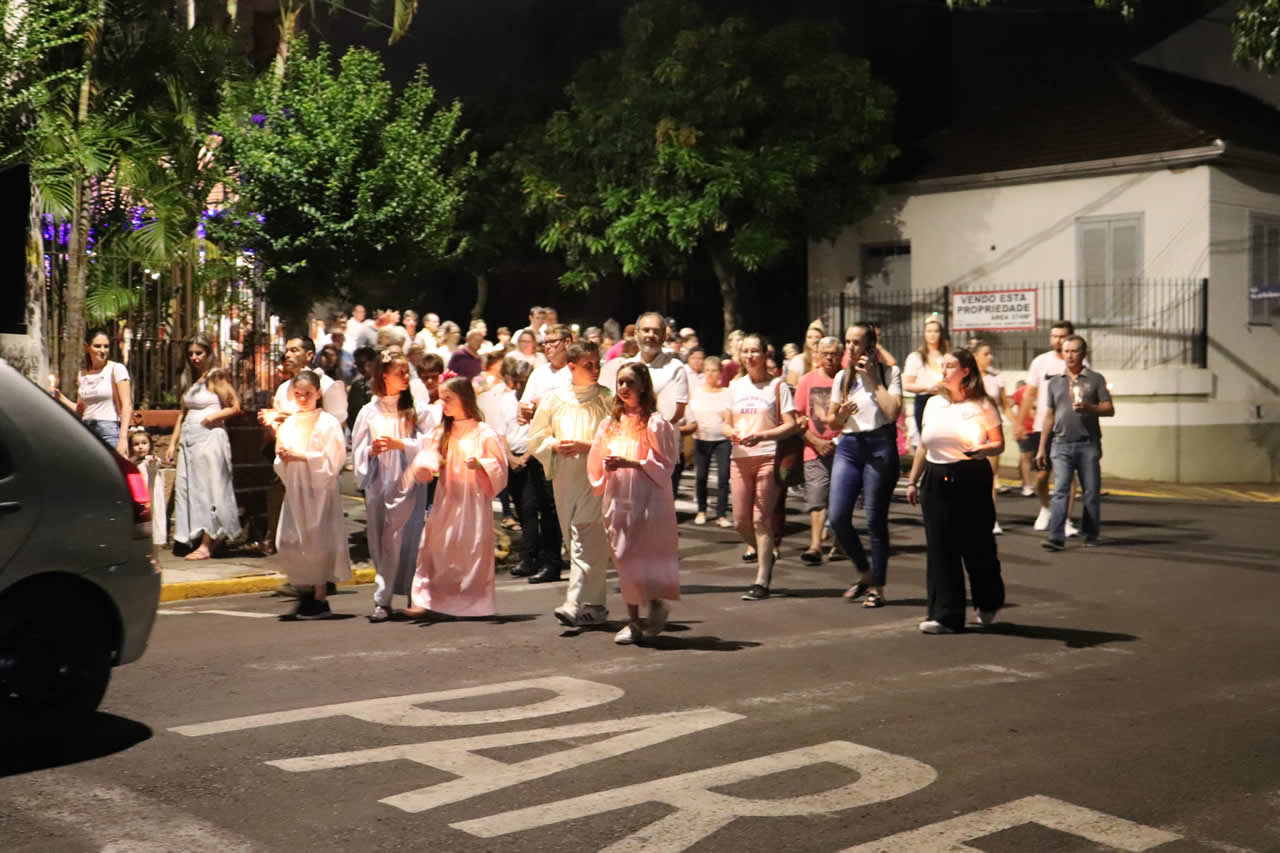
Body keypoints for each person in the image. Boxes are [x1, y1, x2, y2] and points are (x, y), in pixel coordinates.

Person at [905, 349, 1005, 634]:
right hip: (936, 477)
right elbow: (924, 445)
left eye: (950, 366)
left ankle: (988, 600)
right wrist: (913, 480)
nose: (944, 370)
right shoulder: (934, 404)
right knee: (940, 547)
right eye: (943, 365)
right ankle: (946, 615)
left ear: (966, 371)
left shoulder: (982, 404)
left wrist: (982, 449)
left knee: (976, 544)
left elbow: (998, 444)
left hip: (970, 475)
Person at [588, 363, 681, 645]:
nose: (624, 388)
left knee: (645, 554)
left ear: (642, 386)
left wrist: (633, 462)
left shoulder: (654, 423)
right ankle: (633, 619)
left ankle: (653, 605)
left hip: (647, 498)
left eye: (629, 382)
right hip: (618, 496)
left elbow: (666, 463)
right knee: (622, 554)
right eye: (620, 383)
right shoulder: (610, 424)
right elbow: (596, 458)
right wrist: (604, 472)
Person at [403, 377, 508, 620]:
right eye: (441, 398)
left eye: (448, 399)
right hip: (447, 499)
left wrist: (482, 464)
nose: (443, 403)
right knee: (435, 546)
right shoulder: (442, 432)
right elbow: (428, 455)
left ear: (464, 399)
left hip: (473, 502)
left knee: (470, 551)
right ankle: (428, 598)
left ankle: (472, 603)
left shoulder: (483, 432)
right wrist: (426, 466)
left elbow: (499, 467)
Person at [530, 340, 614, 627]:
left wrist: (586, 445)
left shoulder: (607, 398)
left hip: (596, 476)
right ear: (571, 366)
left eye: (597, 364)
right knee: (576, 539)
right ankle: (597, 605)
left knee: (585, 534)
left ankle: (573, 600)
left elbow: (616, 439)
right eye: (588, 365)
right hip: (565, 475)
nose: (594, 370)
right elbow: (536, 437)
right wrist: (553, 444)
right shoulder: (554, 400)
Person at [353, 353, 438, 622]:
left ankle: (416, 595)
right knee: (382, 540)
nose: (405, 377)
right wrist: (371, 450)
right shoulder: (369, 411)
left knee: (412, 539)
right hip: (380, 483)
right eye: (399, 372)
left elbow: (434, 442)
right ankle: (383, 598)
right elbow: (357, 448)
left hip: (409, 483)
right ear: (384, 376)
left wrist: (403, 445)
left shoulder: (418, 410)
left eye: (406, 372)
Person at [825, 324, 904, 607]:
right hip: (848, 447)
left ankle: (877, 588)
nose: (850, 348)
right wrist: (840, 414)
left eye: (856, 342)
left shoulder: (889, 373)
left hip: (879, 445)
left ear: (871, 345)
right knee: (837, 517)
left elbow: (893, 411)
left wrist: (872, 379)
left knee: (874, 520)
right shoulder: (842, 378)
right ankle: (864, 571)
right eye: (847, 342)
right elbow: (831, 420)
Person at [726, 334, 799, 601]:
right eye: (745, 351)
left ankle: (762, 579)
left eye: (754, 351)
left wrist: (764, 436)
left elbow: (790, 424)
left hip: (768, 455)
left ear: (765, 354)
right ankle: (764, 553)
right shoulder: (735, 386)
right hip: (740, 456)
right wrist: (731, 431)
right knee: (740, 521)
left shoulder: (777, 386)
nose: (749, 356)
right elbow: (725, 422)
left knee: (760, 519)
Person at [274, 370, 351, 619]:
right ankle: (303, 589)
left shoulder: (328, 423)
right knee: (290, 540)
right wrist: (283, 454)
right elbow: (281, 456)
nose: (303, 399)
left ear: (318, 393)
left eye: (308, 394)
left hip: (320, 491)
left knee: (318, 540)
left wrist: (300, 457)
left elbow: (333, 460)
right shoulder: (291, 421)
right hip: (296, 487)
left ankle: (319, 595)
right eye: (298, 394)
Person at [169, 335, 242, 560]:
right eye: (191, 353)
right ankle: (192, 535)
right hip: (190, 440)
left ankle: (208, 542)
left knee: (209, 488)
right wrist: (172, 443)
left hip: (209, 438)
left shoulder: (215, 377)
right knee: (188, 488)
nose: (194, 358)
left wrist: (213, 416)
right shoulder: (193, 381)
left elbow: (235, 406)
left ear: (208, 354)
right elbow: (182, 414)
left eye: (199, 353)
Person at [1037, 335, 1113, 551]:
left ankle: (1090, 533)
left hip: (1088, 444)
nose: (1069, 355)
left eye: (1074, 351)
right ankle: (1056, 536)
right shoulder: (1055, 382)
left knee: (1090, 491)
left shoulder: (1095, 379)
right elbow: (1049, 415)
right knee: (1060, 489)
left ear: (1084, 354)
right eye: (1066, 351)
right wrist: (1042, 446)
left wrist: (1090, 408)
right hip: (1060, 444)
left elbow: (1109, 408)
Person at [602, 312, 690, 497]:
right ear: (636, 334)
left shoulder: (675, 368)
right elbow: (616, 404)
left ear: (664, 336)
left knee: (654, 513)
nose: (650, 335)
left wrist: (647, 428)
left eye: (656, 331)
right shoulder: (626, 366)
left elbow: (678, 412)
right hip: (627, 448)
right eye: (646, 330)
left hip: (659, 453)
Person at [1018, 321, 1076, 533]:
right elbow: (1029, 393)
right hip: (1042, 427)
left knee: (1067, 476)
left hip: (1069, 428)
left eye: (1062, 336)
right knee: (1041, 477)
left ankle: (1066, 520)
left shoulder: (1078, 361)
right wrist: (1019, 422)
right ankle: (1046, 508)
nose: (1057, 340)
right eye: (1054, 336)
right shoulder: (1040, 362)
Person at [795, 336, 843, 565]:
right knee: (816, 498)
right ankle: (815, 545)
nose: (829, 357)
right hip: (813, 449)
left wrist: (835, 442)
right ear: (817, 355)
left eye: (834, 353)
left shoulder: (848, 380)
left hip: (843, 449)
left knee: (841, 500)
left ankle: (840, 543)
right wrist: (814, 440)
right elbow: (797, 417)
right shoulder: (807, 381)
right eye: (825, 353)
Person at [51, 328, 133, 456]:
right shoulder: (83, 375)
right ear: (87, 347)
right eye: (97, 346)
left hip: (109, 430)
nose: (102, 351)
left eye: (106, 346)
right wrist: (60, 397)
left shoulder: (116, 369)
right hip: (86, 431)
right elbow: (80, 410)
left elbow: (127, 405)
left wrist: (123, 438)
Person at [688, 356, 734, 527]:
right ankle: (701, 510)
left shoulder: (727, 392)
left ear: (720, 373)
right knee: (701, 476)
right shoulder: (697, 392)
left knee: (723, 477)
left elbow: (730, 415)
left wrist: (727, 418)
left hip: (722, 439)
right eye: (707, 370)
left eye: (714, 370)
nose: (710, 374)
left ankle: (721, 514)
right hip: (701, 438)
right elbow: (691, 413)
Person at [973, 341, 1010, 534]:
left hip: (991, 432)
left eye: (991, 354)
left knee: (989, 476)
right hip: (971, 432)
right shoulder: (967, 378)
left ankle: (991, 518)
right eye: (985, 354)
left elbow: (1004, 404)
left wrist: (1018, 423)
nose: (990, 358)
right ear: (976, 357)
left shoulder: (996, 378)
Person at [902, 316, 950, 437]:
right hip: (924, 400)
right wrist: (927, 388)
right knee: (926, 436)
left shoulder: (947, 356)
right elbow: (907, 385)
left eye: (935, 331)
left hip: (944, 399)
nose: (932, 334)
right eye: (929, 331)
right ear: (924, 334)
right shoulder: (916, 357)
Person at [128, 427, 168, 547]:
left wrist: (152, 461)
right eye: (136, 444)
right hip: (139, 499)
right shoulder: (133, 463)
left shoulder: (150, 460)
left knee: (154, 524)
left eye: (144, 443)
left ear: (150, 445)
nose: (140, 447)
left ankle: (155, 557)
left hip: (152, 498)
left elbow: (154, 463)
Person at [1009, 380, 1036, 497]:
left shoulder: (1044, 390)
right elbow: (1008, 405)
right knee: (1027, 456)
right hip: (1025, 430)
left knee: (1039, 459)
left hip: (1040, 429)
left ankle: (1035, 484)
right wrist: (1016, 423)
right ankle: (1027, 485)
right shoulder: (1022, 391)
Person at [346, 346, 379, 433]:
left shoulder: (387, 384)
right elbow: (352, 414)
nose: (362, 368)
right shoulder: (357, 386)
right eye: (358, 365)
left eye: (363, 364)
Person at [786, 321, 825, 387]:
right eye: (810, 337)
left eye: (817, 337)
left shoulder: (827, 359)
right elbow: (791, 385)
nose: (814, 340)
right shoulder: (798, 360)